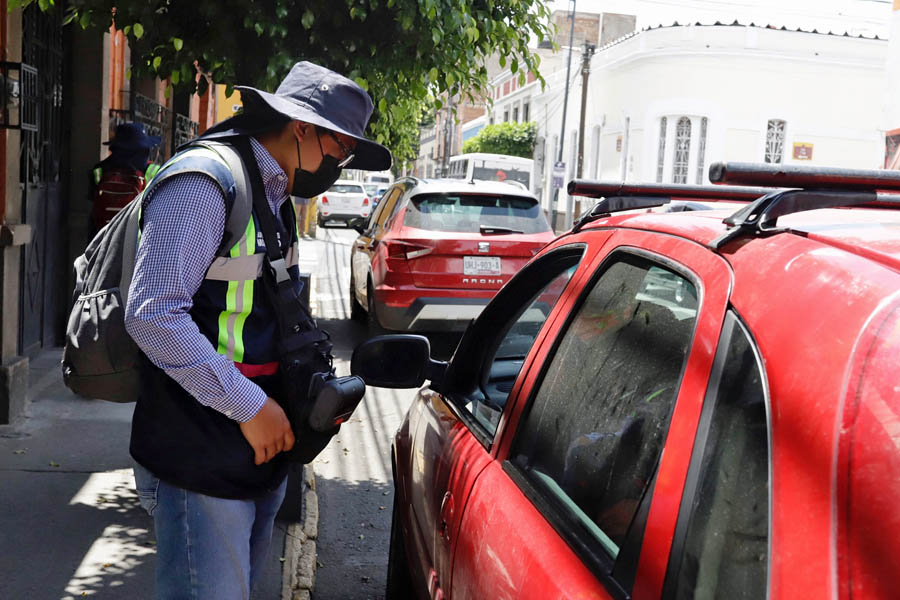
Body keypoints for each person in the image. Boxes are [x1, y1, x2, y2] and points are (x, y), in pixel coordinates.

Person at [124, 62, 391, 599]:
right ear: (301, 127)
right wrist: (251, 406)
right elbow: (153, 314)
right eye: (340, 147)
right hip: (200, 447)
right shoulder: (206, 181)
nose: (342, 163)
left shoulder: (273, 190)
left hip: (255, 447)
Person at [89, 122, 161, 230]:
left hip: (103, 236)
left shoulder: (99, 170)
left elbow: (91, 203)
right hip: (136, 237)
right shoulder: (153, 172)